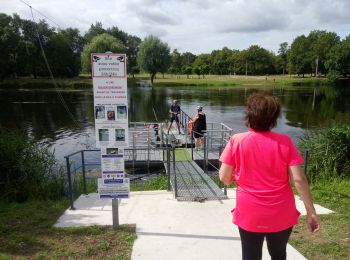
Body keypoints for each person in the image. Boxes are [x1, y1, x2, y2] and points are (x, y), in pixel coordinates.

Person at [219, 91, 320, 260]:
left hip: (249, 212)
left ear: (249, 114)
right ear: (274, 118)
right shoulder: (285, 141)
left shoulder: (236, 140)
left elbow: (224, 178)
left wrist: (238, 177)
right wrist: (311, 211)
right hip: (281, 211)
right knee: (279, 254)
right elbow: (298, 179)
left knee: (250, 256)